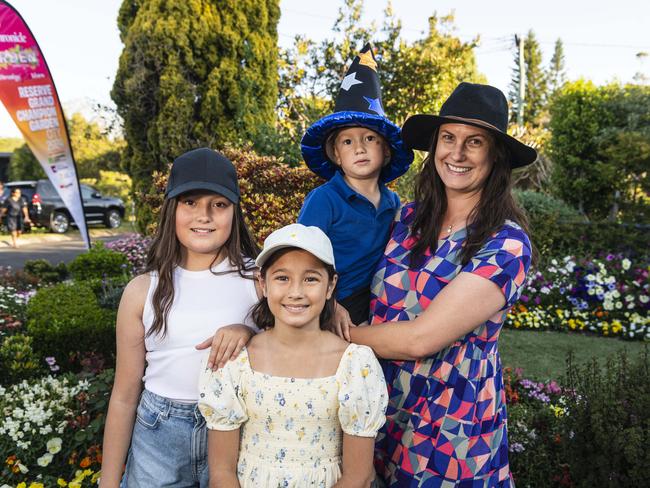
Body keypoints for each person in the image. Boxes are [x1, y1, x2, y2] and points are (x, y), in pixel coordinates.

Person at [349, 82, 538, 487]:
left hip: (450, 430)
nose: (457, 153)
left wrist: (335, 335)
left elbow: (422, 339)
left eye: (475, 142)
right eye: (448, 138)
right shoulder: (407, 219)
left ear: (496, 155)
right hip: (379, 411)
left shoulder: (505, 244)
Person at [100, 148, 261, 488]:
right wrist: (108, 482)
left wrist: (247, 332)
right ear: (171, 209)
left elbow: (299, 340)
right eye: (190, 202)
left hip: (240, 431)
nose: (204, 215)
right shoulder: (142, 290)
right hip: (159, 437)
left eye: (218, 205)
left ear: (235, 212)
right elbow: (125, 395)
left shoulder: (259, 279)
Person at [198, 223, 388, 488]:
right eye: (282, 278)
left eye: (311, 278)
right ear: (263, 283)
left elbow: (358, 476)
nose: (296, 292)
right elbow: (222, 473)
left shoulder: (356, 364)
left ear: (331, 285)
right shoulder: (236, 361)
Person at [299, 43, 413, 330]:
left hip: (376, 299)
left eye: (369, 139)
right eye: (347, 142)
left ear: (386, 150)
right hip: (329, 298)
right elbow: (303, 257)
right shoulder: (324, 199)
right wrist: (329, 305)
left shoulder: (393, 203)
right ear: (335, 154)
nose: (359, 148)